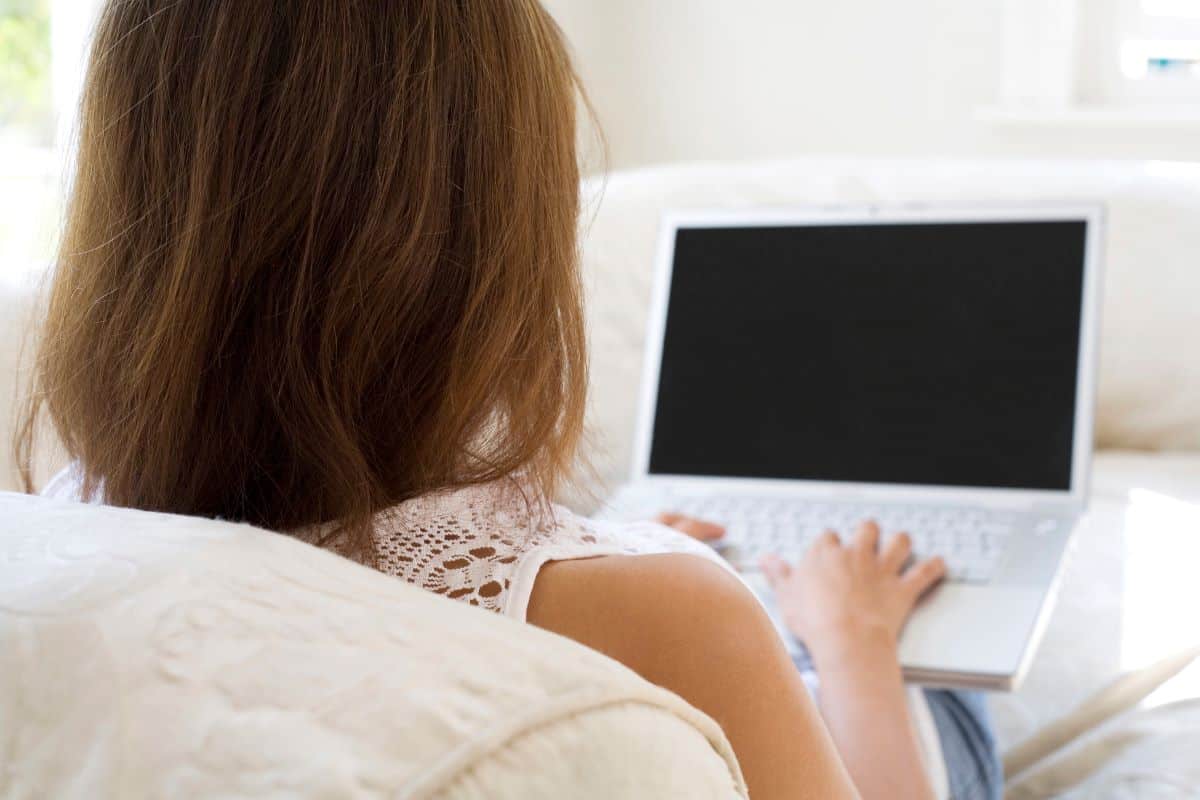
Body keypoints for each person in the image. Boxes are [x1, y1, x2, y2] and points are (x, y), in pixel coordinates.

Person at [18, 2, 1000, 797]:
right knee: (949, 689)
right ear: (495, 235)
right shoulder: (685, 620)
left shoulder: (69, 524)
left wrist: (603, 559)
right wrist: (854, 641)